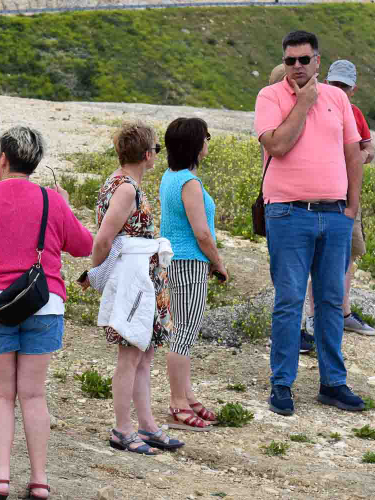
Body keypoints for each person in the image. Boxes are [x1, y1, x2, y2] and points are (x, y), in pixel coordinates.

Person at [0, 126, 93, 499]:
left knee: (1, 394)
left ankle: (0, 477)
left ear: (2, 159)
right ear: (35, 163)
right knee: (33, 395)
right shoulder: (51, 201)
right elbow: (84, 246)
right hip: (44, 304)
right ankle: (40, 481)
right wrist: (65, 206)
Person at [254, 30, 366, 416]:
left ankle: (333, 383)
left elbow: (352, 152)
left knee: (331, 301)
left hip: (335, 214)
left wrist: (351, 207)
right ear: (284, 62)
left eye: (304, 59)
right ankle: (282, 383)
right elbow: (277, 144)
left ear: (318, 61)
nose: (298, 66)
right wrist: (302, 102)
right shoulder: (270, 97)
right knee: (289, 300)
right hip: (287, 213)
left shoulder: (338, 98)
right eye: (291, 60)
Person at [88, 122, 184, 454]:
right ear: (146, 154)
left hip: (146, 277)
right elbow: (103, 239)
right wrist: (97, 274)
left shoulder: (119, 182)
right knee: (130, 357)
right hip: (135, 281)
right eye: (155, 148)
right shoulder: (127, 189)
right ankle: (122, 428)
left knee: (143, 355)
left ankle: (146, 425)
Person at [160, 118, 228, 431]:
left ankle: (186, 395)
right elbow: (201, 232)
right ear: (195, 144)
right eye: (206, 137)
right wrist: (218, 262)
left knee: (181, 330)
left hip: (173, 259)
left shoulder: (170, 176)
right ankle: (178, 403)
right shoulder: (189, 182)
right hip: (189, 261)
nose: (208, 142)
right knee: (185, 333)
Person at [305, 59, 375, 337]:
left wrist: (359, 157)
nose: (338, 90)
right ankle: (315, 317)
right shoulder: (313, 107)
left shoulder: (355, 113)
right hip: (321, 196)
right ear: (326, 82)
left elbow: (369, 149)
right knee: (319, 256)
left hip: (348, 195)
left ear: (352, 89)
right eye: (334, 84)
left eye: (343, 87)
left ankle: (342, 313)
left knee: (350, 253)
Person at [265, 64, 315, 355]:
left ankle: (291, 335)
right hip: (287, 208)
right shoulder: (286, 122)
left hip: (282, 208)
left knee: (289, 280)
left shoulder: (274, 119)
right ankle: (288, 337)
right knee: (290, 282)